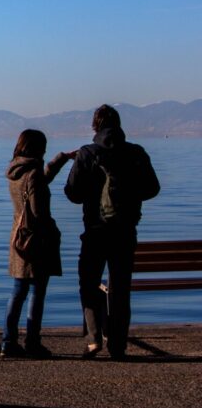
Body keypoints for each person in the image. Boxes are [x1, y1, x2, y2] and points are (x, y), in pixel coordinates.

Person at [64, 105, 160, 360]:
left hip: (95, 231)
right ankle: (118, 345)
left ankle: (94, 339)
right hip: (125, 231)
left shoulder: (87, 153)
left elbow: (72, 194)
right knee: (120, 288)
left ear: (95, 126)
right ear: (119, 125)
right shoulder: (135, 153)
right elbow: (153, 188)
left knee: (88, 283)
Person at [2, 129, 75, 358]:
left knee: (17, 291)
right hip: (36, 241)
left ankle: (8, 342)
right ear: (36, 148)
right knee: (36, 292)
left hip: (18, 238)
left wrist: (61, 158)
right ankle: (32, 342)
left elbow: (41, 181)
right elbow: (38, 210)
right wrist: (53, 230)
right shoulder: (33, 174)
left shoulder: (16, 171)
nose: (45, 150)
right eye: (43, 146)